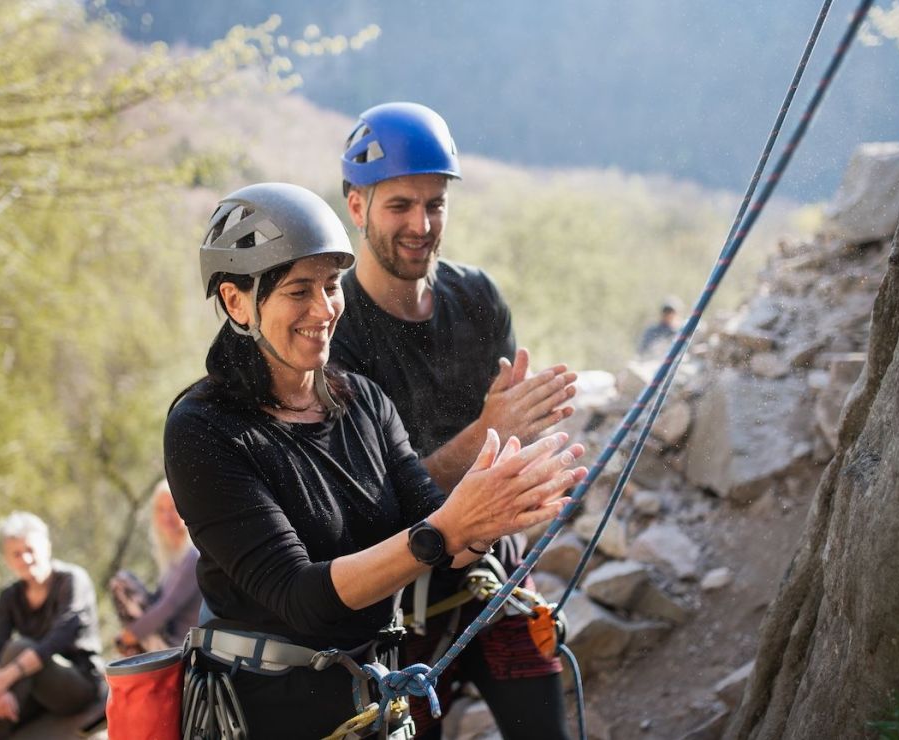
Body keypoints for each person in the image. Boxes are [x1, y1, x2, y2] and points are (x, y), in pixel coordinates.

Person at [163, 182, 587, 739]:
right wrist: (446, 529)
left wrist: (488, 517)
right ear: (236, 301)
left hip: (371, 702)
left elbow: (437, 526)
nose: (324, 309)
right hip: (270, 712)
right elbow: (301, 597)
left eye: (332, 286)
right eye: (298, 291)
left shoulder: (361, 401)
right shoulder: (205, 428)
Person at [332, 102, 578, 739]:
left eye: (435, 204)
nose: (421, 224)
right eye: (400, 205)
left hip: (491, 580)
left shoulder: (476, 298)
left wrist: (533, 461)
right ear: (356, 207)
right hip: (396, 605)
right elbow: (375, 502)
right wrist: (487, 433)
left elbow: (515, 434)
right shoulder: (336, 331)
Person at [0, 512, 105, 740]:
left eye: (30, 550)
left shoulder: (72, 580)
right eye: (17, 554)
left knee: (18, 648)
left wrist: (7, 676)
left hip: (80, 685)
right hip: (38, 689)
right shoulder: (10, 596)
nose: (26, 559)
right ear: (7, 560)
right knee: (3, 696)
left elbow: (58, 639)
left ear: (47, 548)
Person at [109, 478, 200, 655]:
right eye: (161, 509)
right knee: (122, 581)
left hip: (183, 647)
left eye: (173, 508)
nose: (167, 516)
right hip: (166, 640)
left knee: (121, 583)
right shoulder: (172, 558)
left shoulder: (193, 555)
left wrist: (128, 636)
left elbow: (168, 606)